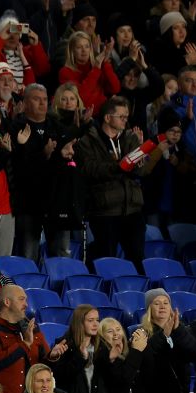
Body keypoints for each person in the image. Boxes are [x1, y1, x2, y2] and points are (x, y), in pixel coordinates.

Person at [74, 96, 151, 266]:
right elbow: (89, 169)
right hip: (105, 211)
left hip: (132, 209)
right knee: (106, 260)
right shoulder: (88, 141)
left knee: (138, 258)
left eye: (126, 116)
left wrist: (140, 161)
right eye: (121, 116)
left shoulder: (130, 138)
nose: (125, 120)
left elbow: (142, 171)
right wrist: (118, 166)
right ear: (108, 118)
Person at [0, 284, 48, 393]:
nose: (26, 305)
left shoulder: (31, 327)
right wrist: (25, 344)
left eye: (26, 300)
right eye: (21, 299)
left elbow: (45, 360)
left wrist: (53, 356)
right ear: (7, 302)